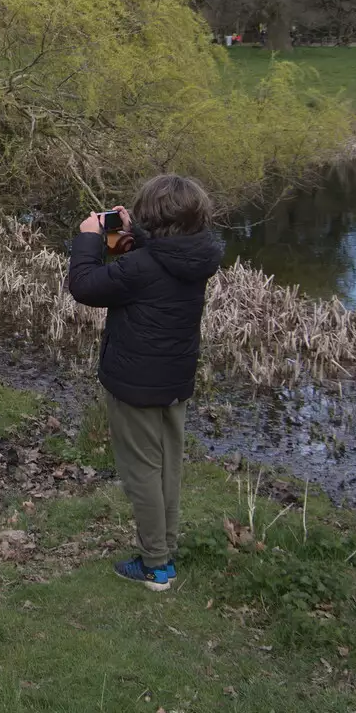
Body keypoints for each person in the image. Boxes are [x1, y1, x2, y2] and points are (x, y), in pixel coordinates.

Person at [68, 175, 225, 591]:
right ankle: (165, 551)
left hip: (135, 384)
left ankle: (155, 566)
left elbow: (84, 287)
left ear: (150, 216)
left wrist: (88, 239)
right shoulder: (197, 257)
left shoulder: (142, 266)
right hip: (174, 379)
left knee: (142, 472)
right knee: (168, 467)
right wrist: (131, 236)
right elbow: (155, 263)